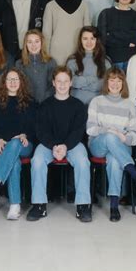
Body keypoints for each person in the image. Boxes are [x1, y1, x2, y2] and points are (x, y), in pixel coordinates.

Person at [27, 66, 92, 222]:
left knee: (83, 162)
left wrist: (65, 146)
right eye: (59, 81)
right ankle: (39, 205)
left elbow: (79, 131)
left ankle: (82, 206)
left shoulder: (78, 106)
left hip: (72, 144)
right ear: (54, 83)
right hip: (49, 145)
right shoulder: (45, 105)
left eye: (66, 81)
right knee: (36, 161)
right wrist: (54, 146)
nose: (62, 85)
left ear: (71, 83)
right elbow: (41, 131)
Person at [87, 67, 136, 221]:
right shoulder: (96, 102)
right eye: (111, 79)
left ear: (123, 83)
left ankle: (114, 206)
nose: (115, 83)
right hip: (98, 145)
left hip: (121, 146)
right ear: (106, 82)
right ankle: (134, 174)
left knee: (114, 160)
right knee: (109, 137)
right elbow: (90, 129)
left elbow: (135, 136)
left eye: (119, 80)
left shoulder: (130, 106)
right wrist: (110, 131)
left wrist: (124, 137)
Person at [0, 69, 37, 220]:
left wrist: (25, 134)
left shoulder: (31, 102)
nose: (13, 83)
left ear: (21, 82)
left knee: (15, 143)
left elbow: (35, 127)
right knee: (14, 162)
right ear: (4, 83)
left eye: (16, 79)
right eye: (9, 79)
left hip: (24, 144)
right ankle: (15, 206)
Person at [42, 0, 91, 67]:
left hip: (78, 53)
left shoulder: (84, 6)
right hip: (56, 54)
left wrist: (87, 54)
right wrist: (46, 56)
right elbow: (46, 34)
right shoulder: (50, 6)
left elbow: (87, 34)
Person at [98, 0, 136, 70]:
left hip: (131, 61)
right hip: (110, 60)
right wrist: (127, 42)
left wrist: (113, 35)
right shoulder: (105, 14)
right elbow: (103, 39)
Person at [66, 26, 111, 107]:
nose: (89, 42)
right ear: (80, 40)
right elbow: (71, 82)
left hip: (98, 105)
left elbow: (106, 84)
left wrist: (82, 83)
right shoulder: (72, 60)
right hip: (76, 104)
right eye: (85, 39)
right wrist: (93, 79)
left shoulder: (105, 61)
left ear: (97, 40)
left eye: (92, 38)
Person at [15, 29, 56, 103]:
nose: (33, 45)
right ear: (25, 44)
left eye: (37, 41)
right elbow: (18, 87)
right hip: (27, 104)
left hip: (46, 103)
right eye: (30, 42)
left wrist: (45, 98)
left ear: (41, 43)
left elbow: (53, 85)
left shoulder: (51, 62)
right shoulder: (19, 64)